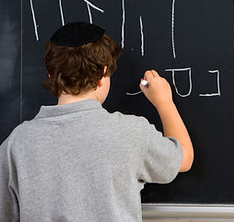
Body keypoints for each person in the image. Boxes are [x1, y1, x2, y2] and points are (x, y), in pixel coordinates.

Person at [0, 22, 194, 221]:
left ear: (50, 74)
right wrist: (164, 103)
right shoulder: (131, 133)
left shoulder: (16, 144)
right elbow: (184, 158)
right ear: (103, 74)